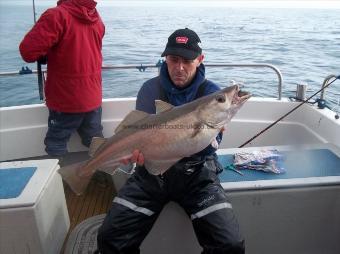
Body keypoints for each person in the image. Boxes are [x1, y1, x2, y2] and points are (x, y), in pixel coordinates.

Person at [97, 28, 245, 254]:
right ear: (165, 59)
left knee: (230, 245)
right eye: (173, 59)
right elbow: (138, 135)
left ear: (200, 59)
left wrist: (215, 132)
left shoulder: (212, 92)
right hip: (151, 174)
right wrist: (135, 156)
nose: (179, 67)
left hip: (197, 173)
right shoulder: (150, 89)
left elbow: (212, 139)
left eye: (187, 60)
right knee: (110, 237)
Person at [19, 0, 105, 159]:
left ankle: (63, 181)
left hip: (66, 99)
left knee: (56, 144)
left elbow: (27, 52)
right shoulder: (96, 18)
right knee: (96, 144)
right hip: (93, 98)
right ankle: (102, 180)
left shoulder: (56, 15)